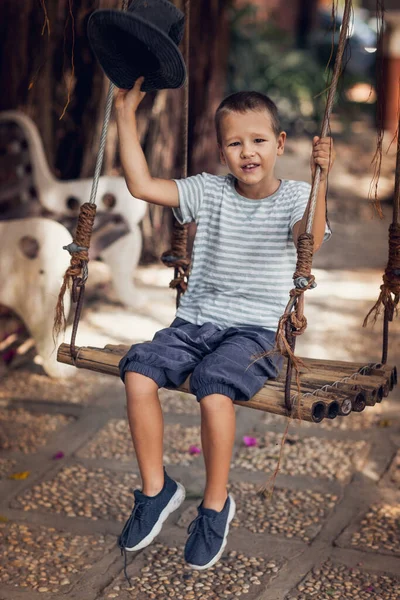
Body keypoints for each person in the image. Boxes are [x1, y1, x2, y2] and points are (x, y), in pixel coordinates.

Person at [115, 76, 334, 571]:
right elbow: (142, 185)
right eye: (235, 143)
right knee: (138, 371)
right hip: (196, 322)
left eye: (258, 141)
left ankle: (215, 505)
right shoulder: (207, 192)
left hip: (259, 331)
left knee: (215, 387)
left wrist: (322, 179)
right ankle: (157, 490)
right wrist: (125, 115)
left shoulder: (297, 196)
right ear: (221, 151)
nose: (247, 152)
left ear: (279, 144)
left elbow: (310, 238)